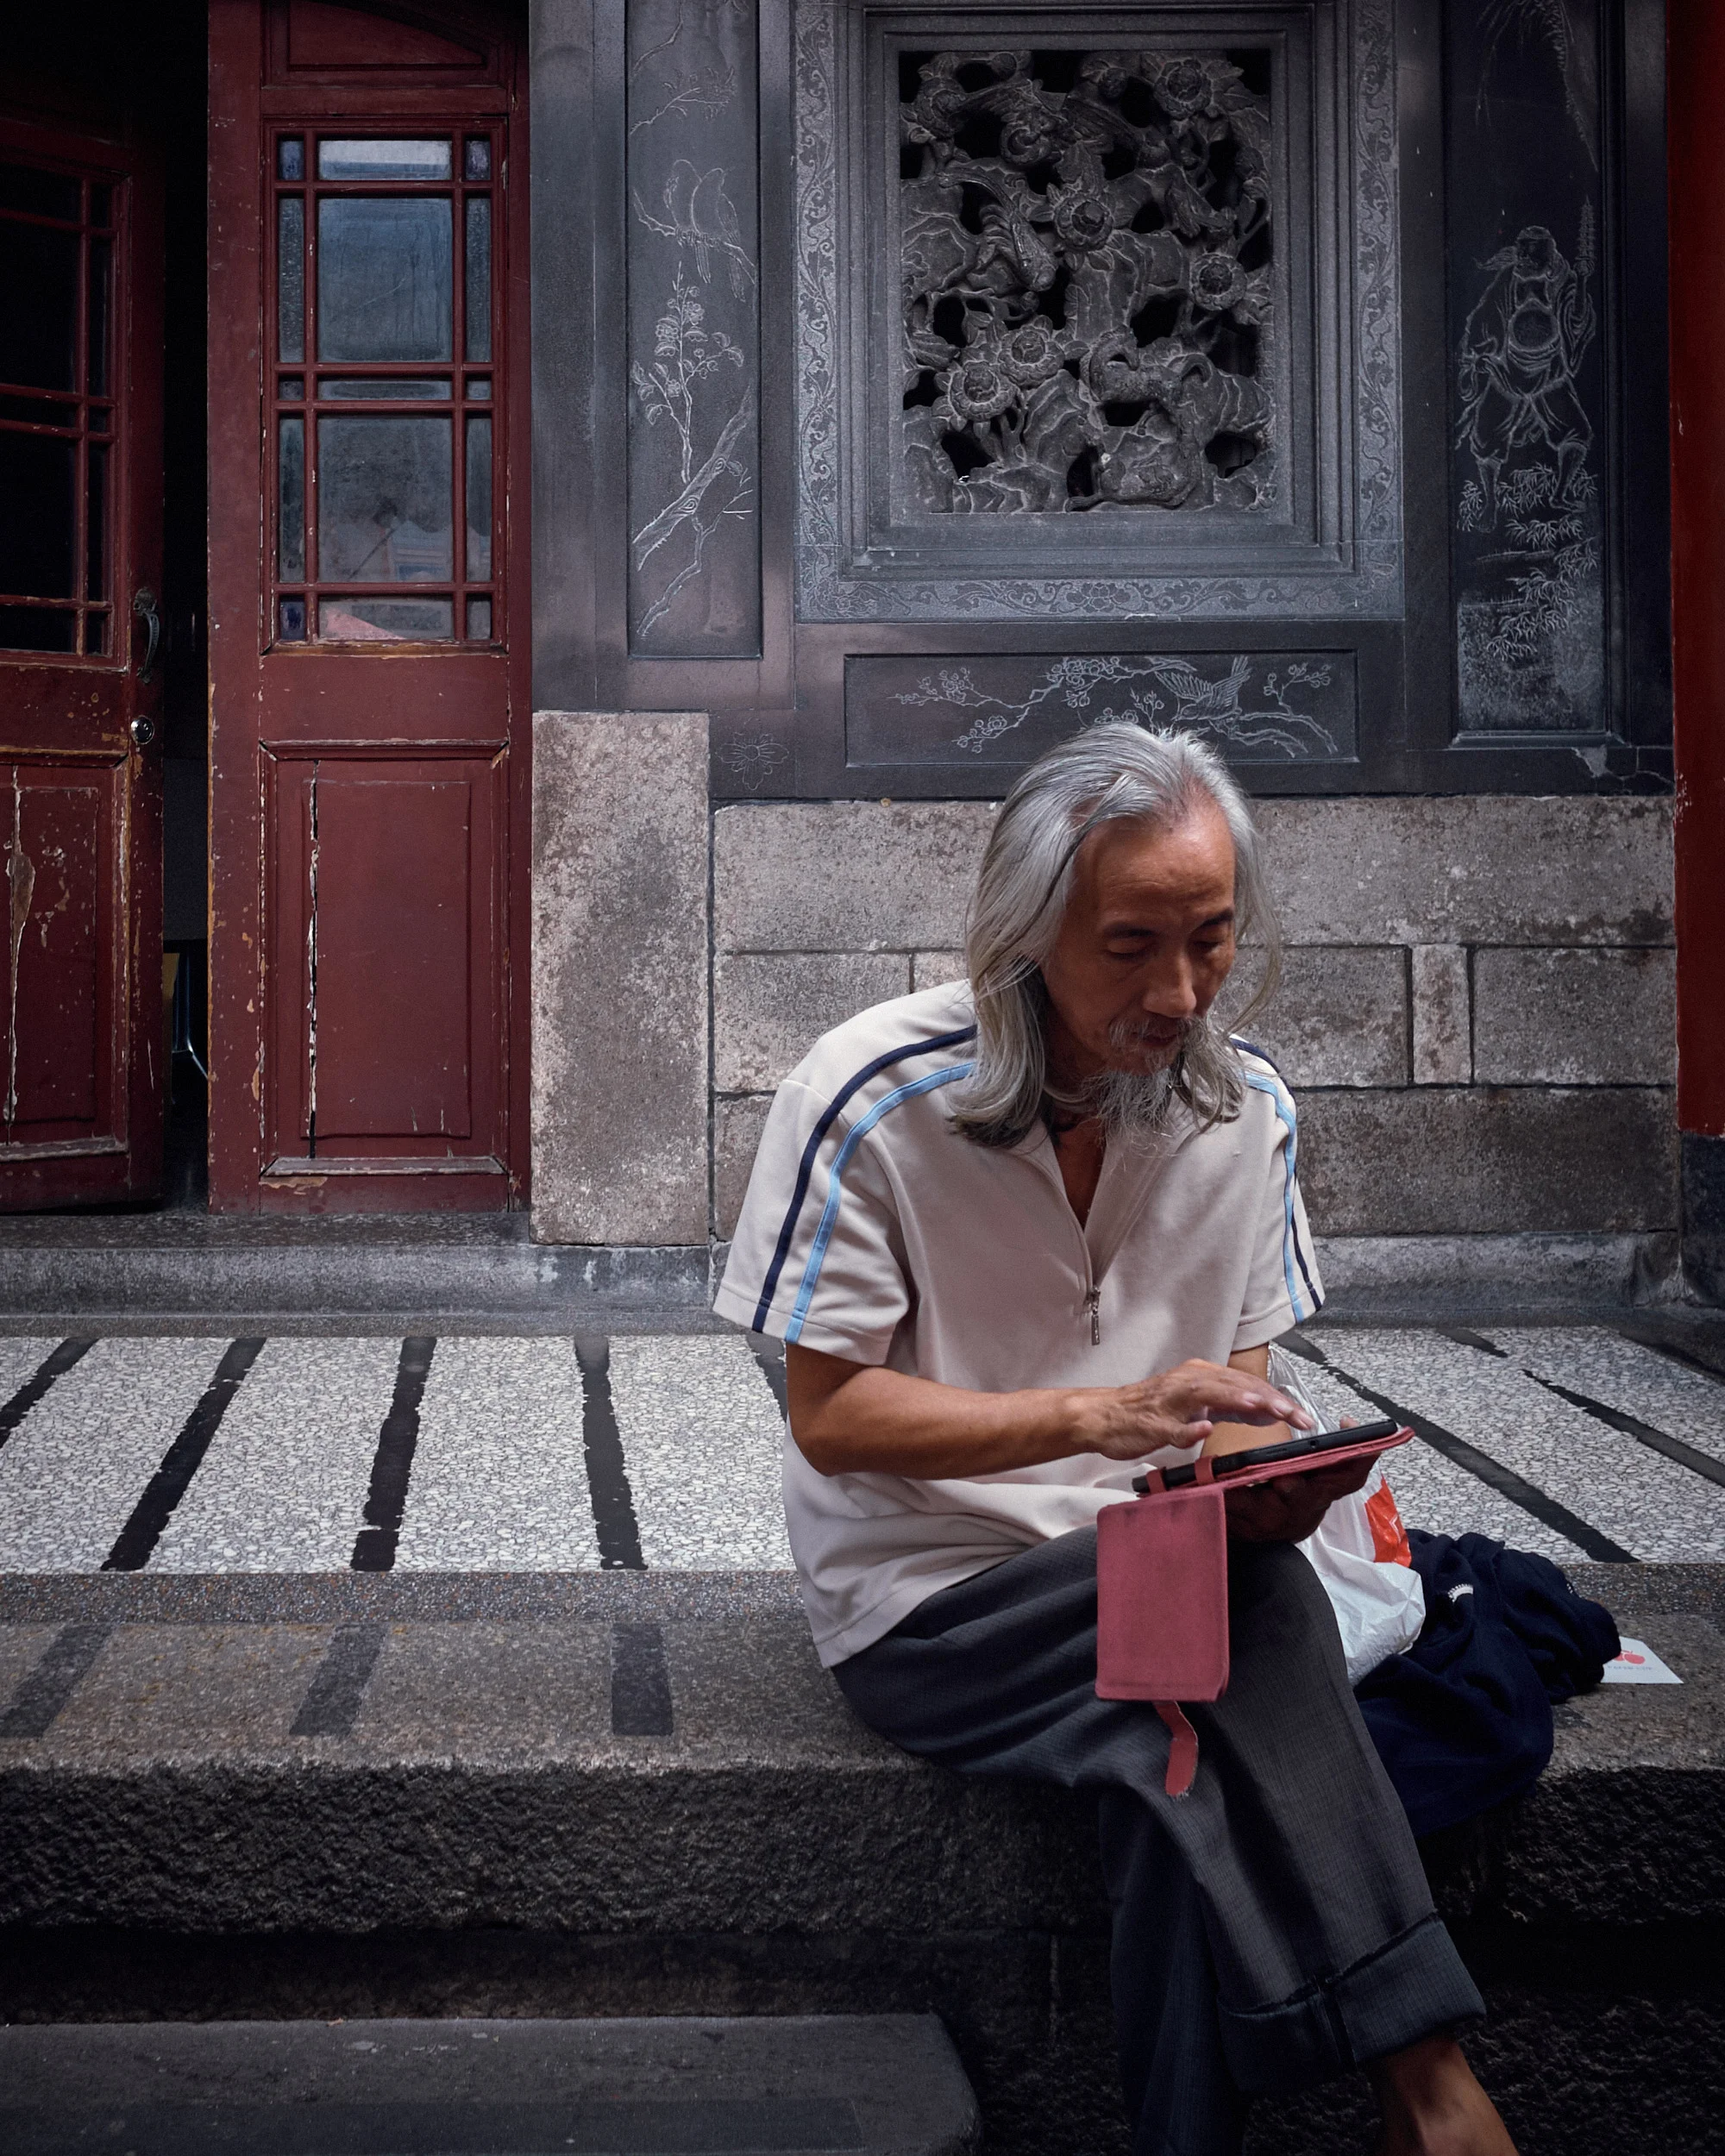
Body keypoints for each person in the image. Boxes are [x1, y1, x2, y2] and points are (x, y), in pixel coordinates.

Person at [714, 724, 1517, 2156]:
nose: (1182, 991)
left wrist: (1246, 1480)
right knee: (1237, 1619)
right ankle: (1432, 2083)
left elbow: (1228, 1418)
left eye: (1211, 940)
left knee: (1169, 1778)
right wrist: (1103, 1418)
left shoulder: (1248, 1109)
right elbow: (831, 1420)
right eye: (1131, 945)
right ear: (1024, 938)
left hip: (1162, 1591)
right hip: (938, 1609)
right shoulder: (867, 1099)